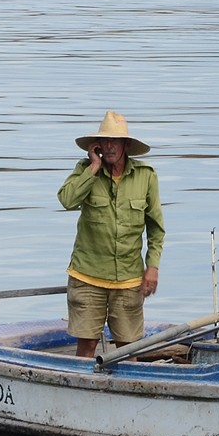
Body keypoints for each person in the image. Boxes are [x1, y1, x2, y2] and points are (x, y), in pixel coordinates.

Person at [58, 112, 165, 358]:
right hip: (87, 276)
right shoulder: (85, 170)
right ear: (96, 145)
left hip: (128, 279)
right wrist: (93, 167)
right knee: (86, 346)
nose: (109, 146)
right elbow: (66, 200)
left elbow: (156, 228)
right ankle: (82, 391)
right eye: (104, 141)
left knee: (129, 349)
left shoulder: (146, 175)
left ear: (126, 145)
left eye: (114, 141)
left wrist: (153, 266)